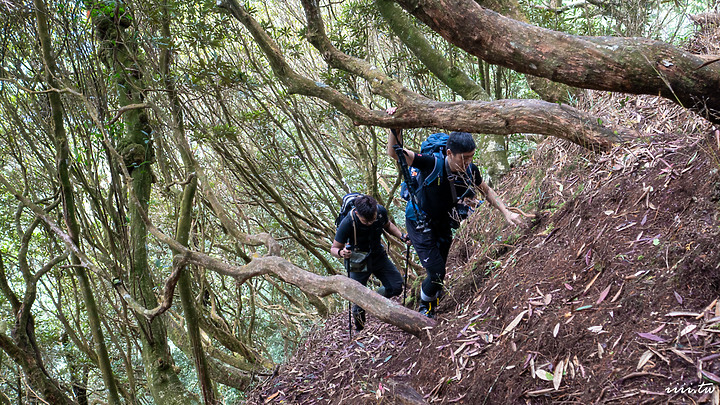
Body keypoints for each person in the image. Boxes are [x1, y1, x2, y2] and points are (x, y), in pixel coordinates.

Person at [387, 123, 523, 318]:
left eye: (471, 157)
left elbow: (487, 191)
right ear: (449, 153)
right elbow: (395, 153)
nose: (468, 162)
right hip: (418, 220)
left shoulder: (470, 170)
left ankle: (433, 292)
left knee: (439, 272)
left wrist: (506, 212)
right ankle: (426, 309)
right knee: (435, 272)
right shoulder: (431, 163)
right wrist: (395, 128)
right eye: (464, 158)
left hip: (442, 220)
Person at [330, 194, 409, 330]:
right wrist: (341, 253)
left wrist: (401, 236)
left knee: (396, 286)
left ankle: (374, 298)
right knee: (358, 299)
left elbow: (388, 225)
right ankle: (360, 329)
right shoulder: (348, 222)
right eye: (366, 221)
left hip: (378, 256)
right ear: (356, 212)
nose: (370, 223)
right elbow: (334, 248)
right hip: (357, 262)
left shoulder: (380, 212)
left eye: (372, 219)